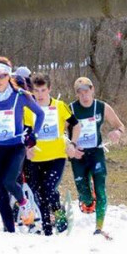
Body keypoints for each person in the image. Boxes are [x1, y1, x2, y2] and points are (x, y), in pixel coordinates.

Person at [0, 57, 45, 233]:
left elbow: (40, 114)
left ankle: (25, 204)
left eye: (2, 77)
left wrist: (33, 135)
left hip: (15, 147)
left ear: (8, 76)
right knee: (0, 188)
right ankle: (9, 231)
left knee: (9, 180)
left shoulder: (20, 96)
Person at [24, 73, 81, 235]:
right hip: (36, 158)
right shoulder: (29, 109)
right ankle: (47, 227)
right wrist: (28, 147)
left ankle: (56, 213)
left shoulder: (59, 106)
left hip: (57, 156)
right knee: (38, 192)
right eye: (36, 91)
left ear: (49, 89)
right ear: (32, 91)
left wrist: (72, 143)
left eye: (43, 90)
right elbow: (26, 132)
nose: (40, 94)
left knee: (48, 188)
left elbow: (76, 126)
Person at [69, 77, 125, 238]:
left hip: (96, 153)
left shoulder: (102, 107)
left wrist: (117, 132)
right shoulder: (71, 109)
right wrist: (70, 146)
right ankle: (87, 199)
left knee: (100, 188)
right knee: (84, 194)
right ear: (77, 94)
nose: (84, 95)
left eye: (87, 91)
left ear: (92, 90)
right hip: (78, 155)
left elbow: (120, 125)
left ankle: (99, 227)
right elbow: (60, 131)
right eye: (80, 92)